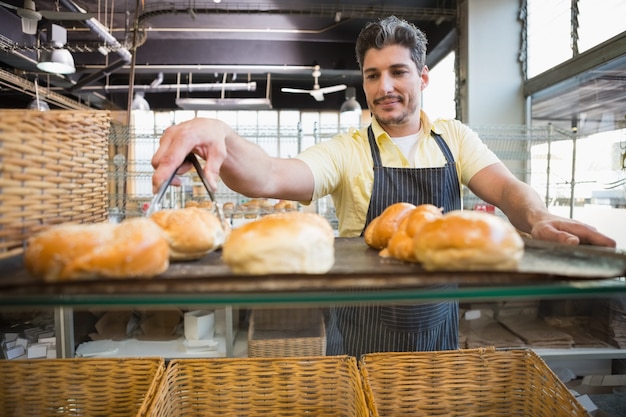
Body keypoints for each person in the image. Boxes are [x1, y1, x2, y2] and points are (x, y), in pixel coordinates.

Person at [151, 16, 616, 357]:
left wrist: (537, 217)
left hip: (437, 327)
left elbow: (508, 189)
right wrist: (222, 136)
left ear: (423, 77)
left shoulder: (454, 138)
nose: (384, 86)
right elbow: (271, 174)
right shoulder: (347, 149)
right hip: (359, 329)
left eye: (398, 72)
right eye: (373, 75)